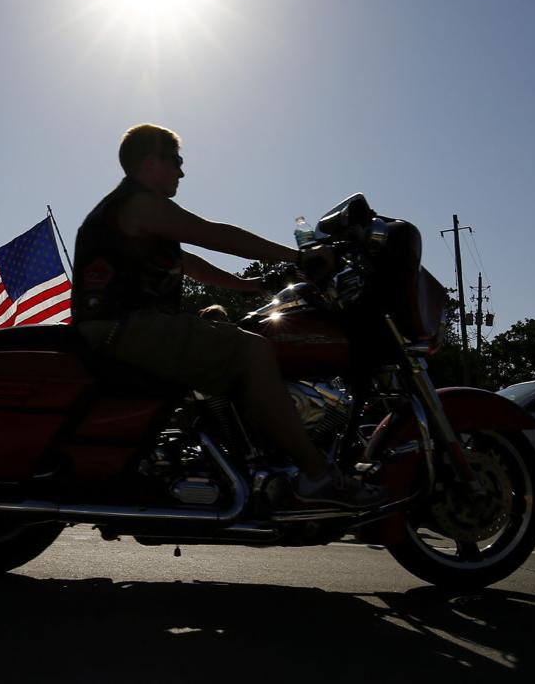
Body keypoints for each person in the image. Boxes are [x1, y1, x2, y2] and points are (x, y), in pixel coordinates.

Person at [72, 124, 384, 509]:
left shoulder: (134, 217)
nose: (182, 172)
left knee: (226, 328)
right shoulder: (139, 204)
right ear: (151, 163)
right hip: (122, 329)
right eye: (177, 161)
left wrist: (253, 287)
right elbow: (213, 234)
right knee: (253, 351)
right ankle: (317, 475)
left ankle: (244, 457)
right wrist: (298, 256)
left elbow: (191, 264)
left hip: (121, 328)